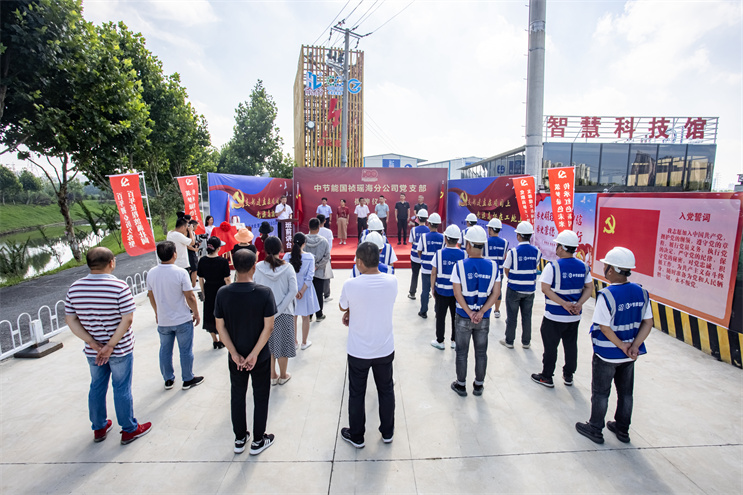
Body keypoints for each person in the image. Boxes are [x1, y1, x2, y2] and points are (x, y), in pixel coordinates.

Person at [64, 247, 152, 445]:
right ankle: (129, 429)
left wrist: (91, 342)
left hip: (94, 351)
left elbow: (71, 320)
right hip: (120, 349)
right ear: (111, 262)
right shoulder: (119, 286)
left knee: (97, 386)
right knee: (121, 388)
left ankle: (99, 427)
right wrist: (110, 345)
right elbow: (127, 319)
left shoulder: (75, 288)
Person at [575, 247, 653, 445]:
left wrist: (621, 345)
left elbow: (604, 327)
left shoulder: (607, 295)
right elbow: (648, 323)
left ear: (611, 270)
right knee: (626, 393)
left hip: (607, 354)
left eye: (606, 266)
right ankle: (622, 429)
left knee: (601, 392)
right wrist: (634, 346)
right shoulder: (642, 292)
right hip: (629, 356)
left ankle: (595, 428)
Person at [214, 249, 277, 455]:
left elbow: (220, 327)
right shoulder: (264, 293)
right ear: (254, 267)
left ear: (233, 265)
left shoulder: (223, 293)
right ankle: (258, 440)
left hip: (236, 358)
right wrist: (255, 354)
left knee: (237, 395)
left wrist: (234, 353)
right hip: (260, 357)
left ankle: (240, 438)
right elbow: (269, 327)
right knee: (261, 396)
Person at [339, 241, 398, 448]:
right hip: (384, 348)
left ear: (359, 262)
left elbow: (342, 306)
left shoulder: (351, 284)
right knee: (386, 390)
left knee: (357, 393)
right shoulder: (392, 281)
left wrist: (350, 311)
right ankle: (388, 432)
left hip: (358, 350)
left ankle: (357, 436)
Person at [531, 230, 593, 388]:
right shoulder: (584, 267)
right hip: (574, 317)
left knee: (550, 347)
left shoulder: (553, 266)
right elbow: (589, 288)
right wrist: (579, 303)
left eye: (557, 245)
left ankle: (547, 376)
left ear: (561, 248)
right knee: (571, 345)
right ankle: (568, 375)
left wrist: (563, 303)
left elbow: (545, 288)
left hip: (554, 316)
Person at [450, 226, 501, 397]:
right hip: (483, 318)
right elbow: (496, 293)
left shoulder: (459, 266)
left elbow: (457, 293)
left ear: (468, 245)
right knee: (481, 352)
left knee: (461, 352)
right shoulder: (493, 266)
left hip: (463, 316)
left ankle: (461, 385)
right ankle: (478, 386)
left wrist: (470, 312)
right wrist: (481, 312)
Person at [147, 241, 205, 391]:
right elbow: (190, 296)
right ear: (174, 254)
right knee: (185, 350)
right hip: (182, 319)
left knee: (165, 350)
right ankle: (187, 378)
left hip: (163, 320)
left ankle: (168, 379)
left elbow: (151, 295)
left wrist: (156, 312)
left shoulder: (152, 273)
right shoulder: (180, 272)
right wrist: (196, 312)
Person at [254, 236, 298, 386]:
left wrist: (270, 310)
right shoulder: (288, 267)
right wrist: (279, 309)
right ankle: (283, 375)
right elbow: (293, 290)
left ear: (265, 249)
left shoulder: (258, 267)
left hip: (265, 314)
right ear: (281, 249)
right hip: (284, 313)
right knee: (283, 346)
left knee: (269, 345)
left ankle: (272, 375)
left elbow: (255, 288)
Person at [500, 221, 542, 349]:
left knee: (512, 316)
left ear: (518, 236)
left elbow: (506, 269)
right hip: (529, 290)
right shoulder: (537, 251)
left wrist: (514, 279)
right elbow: (534, 266)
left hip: (514, 288)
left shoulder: (513, 252)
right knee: (527, 316)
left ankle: (509, 341)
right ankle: (526, 342)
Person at [430, 225, 465, 350]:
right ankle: (455, 340)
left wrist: (432, 288)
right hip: (457, 293)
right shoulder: (463, 254)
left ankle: (440, 341)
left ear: (445, 238)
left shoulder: (439, 254)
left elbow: (433, 272)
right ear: (458, 239)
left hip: (441, 291)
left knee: (440, 317)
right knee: (456, 317)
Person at [284, 233, 320, 349]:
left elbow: (285, 275)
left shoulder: (286, 257)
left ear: (293, 243)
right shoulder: (309, 257)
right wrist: (302, 291)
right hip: (306, 290)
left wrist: (294, 291)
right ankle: (304, 342)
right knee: (305, 316)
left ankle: (294, 342)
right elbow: (310, 277)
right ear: (304, 244)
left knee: (293, 316)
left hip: (291, 291)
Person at [198, 237, 231, 350]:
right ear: (218, 248)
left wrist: (203, 292)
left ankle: (214, 340)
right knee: (221, 313)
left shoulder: (202, 260)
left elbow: (201, 278)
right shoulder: (223, 261)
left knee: (209, 313)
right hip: (221, 289)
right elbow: (227, 279)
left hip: (208, 288)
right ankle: (221, 339)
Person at [416, 213, 444, 319]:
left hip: (426, 268)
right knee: (437, 291)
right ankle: (438, 312)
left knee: (425, 291)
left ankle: (423, 311)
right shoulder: (443, 237)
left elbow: (419, 251)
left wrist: (423, 259)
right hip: (438, 269)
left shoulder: (424, 237)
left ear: (429, 224)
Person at [304, 217, 331, 322]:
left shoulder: (303, 240)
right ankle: (319, 315)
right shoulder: (323, 241)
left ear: (308, 227)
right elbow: (326, 257)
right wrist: (317, 266)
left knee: (308, 293)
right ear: (319, 228)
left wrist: (309, 266)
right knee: (319, 293)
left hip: (306, 272)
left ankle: (309, 315)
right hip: (319, 271)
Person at [484, 218, 509, 318]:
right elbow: (505, 256)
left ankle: (485, 309)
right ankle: (497, 310)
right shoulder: (505, 242)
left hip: (488, 271)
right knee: (498, 291)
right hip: (499, 271)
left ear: (491, 229)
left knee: (486, 290)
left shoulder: (485, 242)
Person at [407, 209, 430, 300]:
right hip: (425, 257)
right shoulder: (429, 230)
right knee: (426, 276)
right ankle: (427, 292)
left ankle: (412, 293)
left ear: (418, 218)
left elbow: (411, 242)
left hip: (415, 257)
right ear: (426, 219)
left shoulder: (413, 230)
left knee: (415, 274)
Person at [317, 214, 334, 302]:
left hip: (316, 256)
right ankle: (326, 295)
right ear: (325, 221)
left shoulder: (313, 231)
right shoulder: (328, 231)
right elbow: (330, 245)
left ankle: (317, 294)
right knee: (326, 275)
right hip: (326, 256)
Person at [186, 219, 200, 287]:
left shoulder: (193, 233)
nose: (196, 228)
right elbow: (188, 244)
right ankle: (193, 285)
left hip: (193, 252)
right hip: (190, 253)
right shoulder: (189, 233)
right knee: (194, 269)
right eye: (196, 226)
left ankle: (193, 284)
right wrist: (194, 249)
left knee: (194, 269)